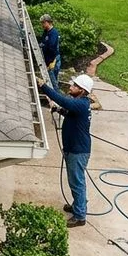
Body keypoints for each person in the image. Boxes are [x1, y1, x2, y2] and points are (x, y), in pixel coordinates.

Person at [37, 73, 93, 228]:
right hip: (74, 149)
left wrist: (44, 87)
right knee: (75, 181)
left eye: (74, 86)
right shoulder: (79, 103)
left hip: (78, 151)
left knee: (77, 182)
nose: (71, 87)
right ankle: (77, 206)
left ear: (82, 91)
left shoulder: (80, 104)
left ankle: (80, 215)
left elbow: (63, 101)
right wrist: (57, 109)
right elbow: (69, 112)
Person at [40, 14, 62, 88]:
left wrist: (50, 62)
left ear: (48, 22)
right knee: (51, 79)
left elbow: (52, 47)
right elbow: (43, 42)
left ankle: (57, 96)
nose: (42, 25)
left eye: (43, 23)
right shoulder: (46, 32)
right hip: (48, 59)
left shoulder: (54, 33)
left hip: (53, 59)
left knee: (53, 81)